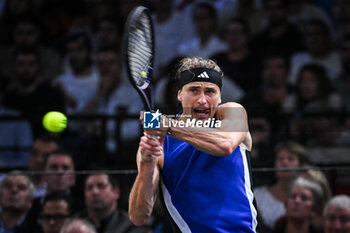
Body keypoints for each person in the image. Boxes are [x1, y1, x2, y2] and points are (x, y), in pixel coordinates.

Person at [129, 57, 257, 232]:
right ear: (180, 94)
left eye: (210, 91)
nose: (202, 100)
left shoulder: (232, 112)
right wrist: (147, 163)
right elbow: (139, 216)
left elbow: (225, 145)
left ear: (220, 97)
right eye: (194, 90)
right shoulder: (160, 143)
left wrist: (167, 126)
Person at [254, 141, 310, 232]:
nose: (284, 163)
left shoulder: (309, 195)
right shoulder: (258, 195)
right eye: (280, 159)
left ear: (301, 165)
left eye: (290, 159)